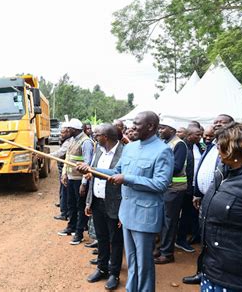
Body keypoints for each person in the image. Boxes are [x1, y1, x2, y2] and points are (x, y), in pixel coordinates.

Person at [78, 111, 173, 292]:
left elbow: (161, 184)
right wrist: (92, 169)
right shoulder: (129, 147)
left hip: (145, 216)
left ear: (151, 126)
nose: (132, 127)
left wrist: (128, 179)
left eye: (137, 124)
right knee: (131, 260)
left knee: (144, 263)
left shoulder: (163, 150)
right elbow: (116, 172)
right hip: (126, 212)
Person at [183, 114, 234, 285]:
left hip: (220, 201)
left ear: (231, 126)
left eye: (222, 122)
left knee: (216, 239)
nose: (218, 124)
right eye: (216, 122)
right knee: (205, 238)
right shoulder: (212, 145)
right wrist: (197, 192)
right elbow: (201, 169)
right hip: (205, 198)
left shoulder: (231, 148)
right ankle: (202, 273)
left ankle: (214, 276)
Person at [199, 122, 242, 291]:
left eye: (220, 147)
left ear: (234, 149)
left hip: (236, 276)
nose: (217, 151)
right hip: (212, 266)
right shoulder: (224, 172)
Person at [84, 123, 124, 290]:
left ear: (106, 137)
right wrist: (89, 201)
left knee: (115, 240)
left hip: (116, 205)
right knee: (101, 238)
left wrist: (123, 211)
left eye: (97, 134)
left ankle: (114, 273)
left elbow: (123, 181)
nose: (94, 136)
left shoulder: (125, 152)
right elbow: (91, 175)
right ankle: (102, 268)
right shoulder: (98, 150)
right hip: (98, 201)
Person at [154, 118, 188, 264]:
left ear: (172, 130)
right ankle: (161, 248)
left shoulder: (179, 144)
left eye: (163, 128)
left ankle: (167, 253)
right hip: (164, 188)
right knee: (162, 220)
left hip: (174, 189)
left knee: (169, 221)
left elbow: (177, 167)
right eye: (160, 128)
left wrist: (157, 169)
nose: (160, 130)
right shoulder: (165, 143)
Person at [58, 118, 93, 245]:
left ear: (74, 129)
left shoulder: (86, 142)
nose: (67, 130)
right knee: (71, 204)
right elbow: (68, 158)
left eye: (69, 129)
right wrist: (64, 174)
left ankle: (79, 233)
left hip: (80, 180)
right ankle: (71, 227)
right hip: (71, 178)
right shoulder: (72, 140)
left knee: (80, 206)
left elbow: (87, 163)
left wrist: (84, 183)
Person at [175, 126, 204, 253]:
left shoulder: (200, 147)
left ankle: (181, 240)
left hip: (193, 188)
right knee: (173, 216)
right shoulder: (182, 146)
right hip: (180, 187)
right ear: (188, 134)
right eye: (197, 134)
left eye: (200, 134)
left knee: (187, 215)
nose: (200, 137)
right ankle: (166, 243)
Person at [48, 123, 72, 220]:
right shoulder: (65, 140)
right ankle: (64, 211)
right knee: (63, 191)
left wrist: (47, 156)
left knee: (64, 191)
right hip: (64, 168)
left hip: (67, 170)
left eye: (63, 133)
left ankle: (64, 213)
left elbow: (60, 153)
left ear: (68, 132)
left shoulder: (69, 141)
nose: (61, 134)